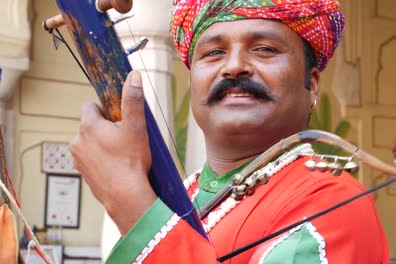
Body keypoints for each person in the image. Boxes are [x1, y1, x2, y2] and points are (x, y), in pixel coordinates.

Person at [71, 0, 389, 263]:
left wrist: (130, 202)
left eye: (264, 49)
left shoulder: (334, 201)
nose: (234, 66)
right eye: (213, 53)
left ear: (313, 83)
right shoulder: (183, 193)